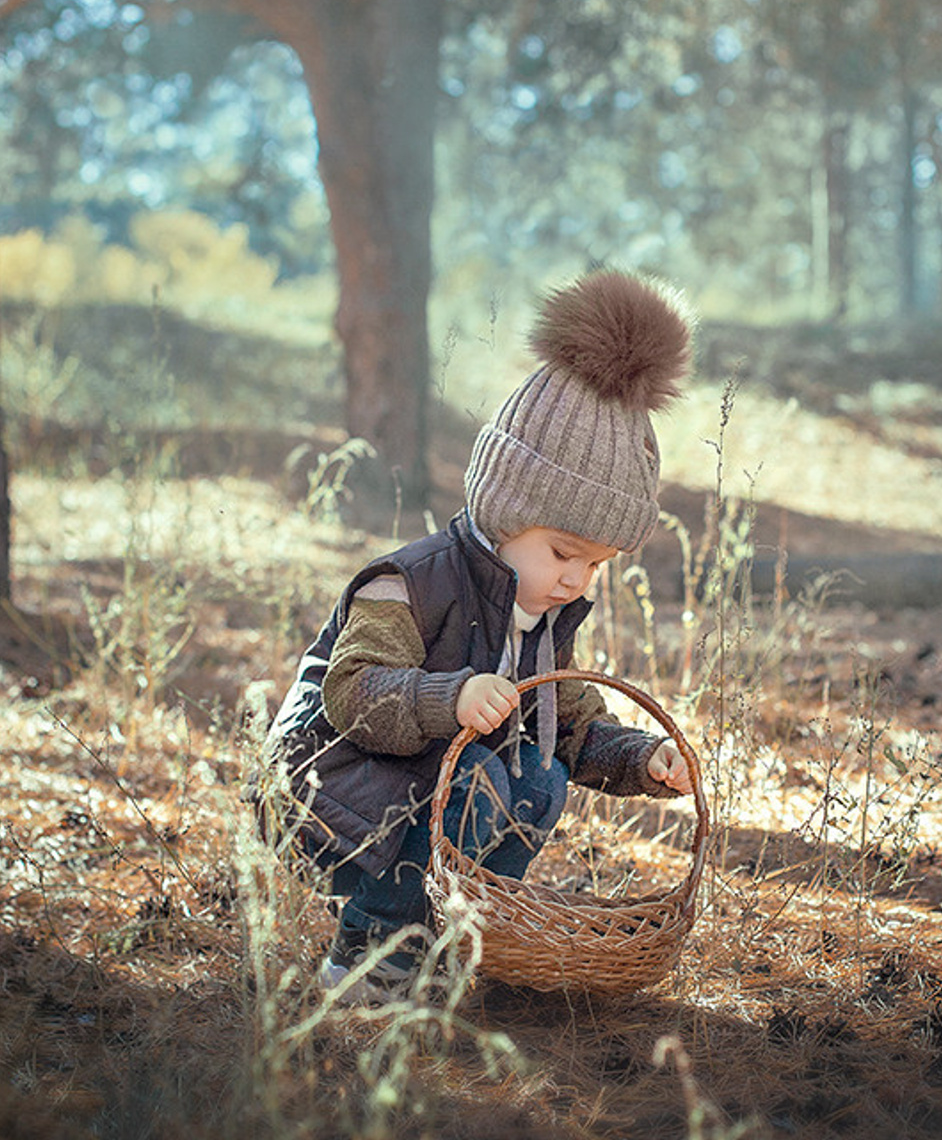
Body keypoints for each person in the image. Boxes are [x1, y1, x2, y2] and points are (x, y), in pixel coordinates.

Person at [257, 268, 696, 1003]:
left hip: (429, 799)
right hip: (329, 794)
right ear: (504, 511)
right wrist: (451, 697)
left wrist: (642, 761)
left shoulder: (540, 618)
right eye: (562, 553)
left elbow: (572, 729)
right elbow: (351, 693)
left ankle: (453, 929)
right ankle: (372, 957)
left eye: (597, 564)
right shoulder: (409, 582)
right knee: (483, 777)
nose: (576, 580)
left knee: (538, 776)